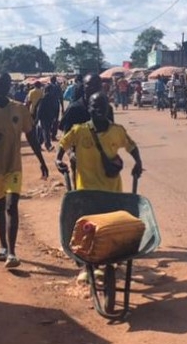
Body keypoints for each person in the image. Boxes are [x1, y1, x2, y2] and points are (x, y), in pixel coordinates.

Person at [56, 92, 144, 283]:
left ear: (108, 109)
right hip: (86, 191)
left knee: (109, 229)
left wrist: (138, 163)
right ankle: (88, 266)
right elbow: (63, 144)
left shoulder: (117, 131)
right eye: (94, 106)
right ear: (89, 109)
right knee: (89, 229)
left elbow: (132, 147)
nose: (98, 110)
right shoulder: (79, 131)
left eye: (102, 106)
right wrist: (59, 160)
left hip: (111, 191)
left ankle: (107, 263)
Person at [0, 73, 50, 269]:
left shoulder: (19, 109)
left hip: (14, 167)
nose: (3, 88)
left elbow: (31, 136)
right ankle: (3, 246)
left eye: (6, 85)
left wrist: (42, 161)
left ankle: (12, 252)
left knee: (12, 207)